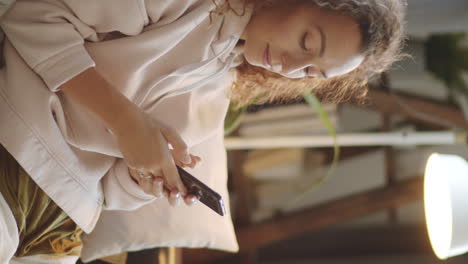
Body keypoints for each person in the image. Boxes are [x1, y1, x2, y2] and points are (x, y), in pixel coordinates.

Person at [0, 0, 406, 262]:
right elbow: (33, 16)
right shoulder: (185, 6)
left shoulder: (217, 89)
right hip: (20, 156)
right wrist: (126, 122)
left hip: (62, 228)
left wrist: (148, 178)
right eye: (306, 40)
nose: (288, 64)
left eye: (309, 71)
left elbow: (110, 191)